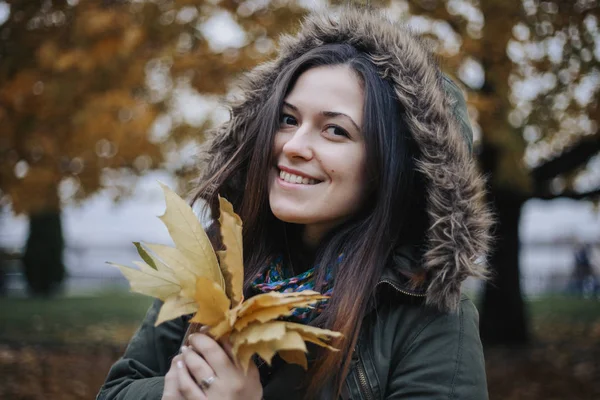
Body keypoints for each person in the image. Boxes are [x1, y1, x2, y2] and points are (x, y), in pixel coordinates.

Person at [97, 7, 493, 400]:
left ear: (390, 168)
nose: (294, 145)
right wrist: (177, 391)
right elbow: (118, 390)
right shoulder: (216, 260)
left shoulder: (427, 316)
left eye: (335, 130)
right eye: (287, 120)